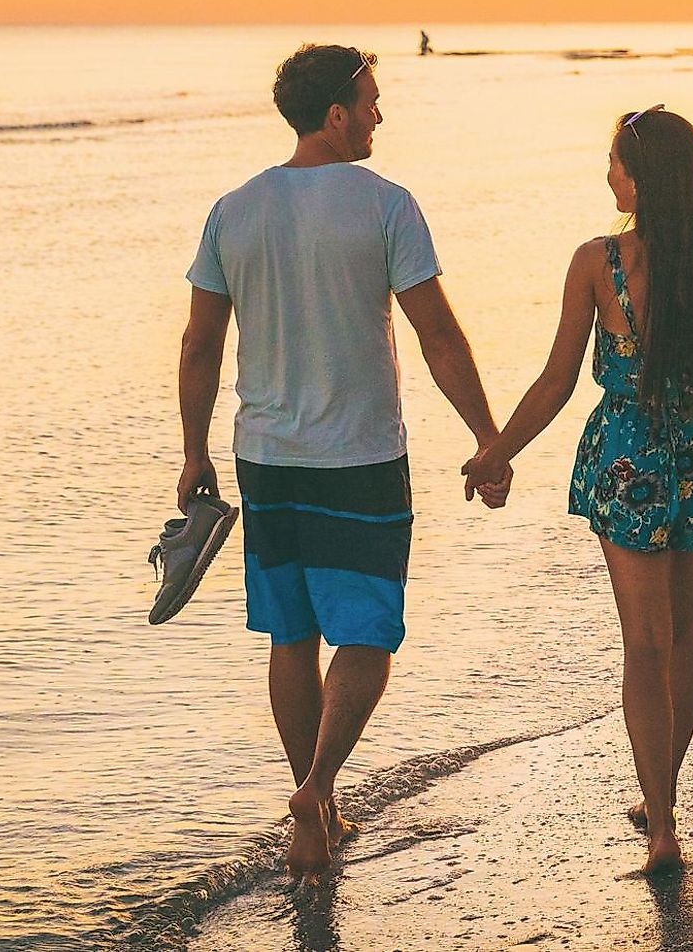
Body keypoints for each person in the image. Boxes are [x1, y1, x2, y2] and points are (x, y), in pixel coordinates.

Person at [175, 44, 504, 884]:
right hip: (359, 455)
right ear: (335, 115)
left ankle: (310, 808)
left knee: (291, 635)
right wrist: (486, 437)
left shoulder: (233, 210)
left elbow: (200, 342)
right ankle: (319, 787)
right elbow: (436, 333)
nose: (379, 114)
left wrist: (192, 453)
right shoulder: (385, 205)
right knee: (365, 633)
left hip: (266, 458)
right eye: (371, 100)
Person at [465, 106, 693, 876]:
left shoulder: (597, 261)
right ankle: (663, 800)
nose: (606, 174)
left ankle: (662, 828)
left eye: (614, 161)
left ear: (641, 178)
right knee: (681, 639)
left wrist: (496, 451)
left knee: (643, 648)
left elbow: (555, 380)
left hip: (630, 463)